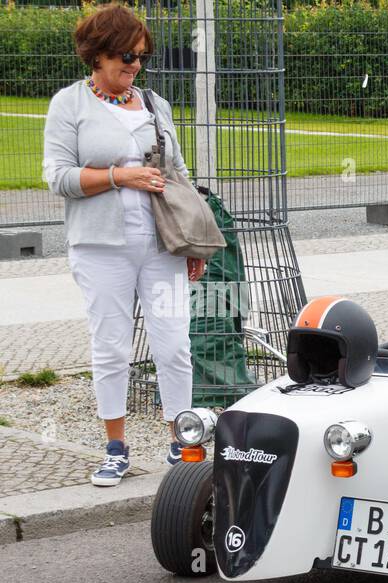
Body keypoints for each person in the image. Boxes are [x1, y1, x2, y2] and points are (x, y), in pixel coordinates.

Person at [42, 3, 205, 487]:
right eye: (123, 56)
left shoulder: (156, 105)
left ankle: (184, 439)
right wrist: (120, 176)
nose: (133, 65)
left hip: (160, 244)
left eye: (139, 56)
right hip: (100, 247)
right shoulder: (69, 105)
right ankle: (115, 447)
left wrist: (191, 241)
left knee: (174, 345)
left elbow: (178, 174)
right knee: (111, 348)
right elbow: (58, 177)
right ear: (96, 55)